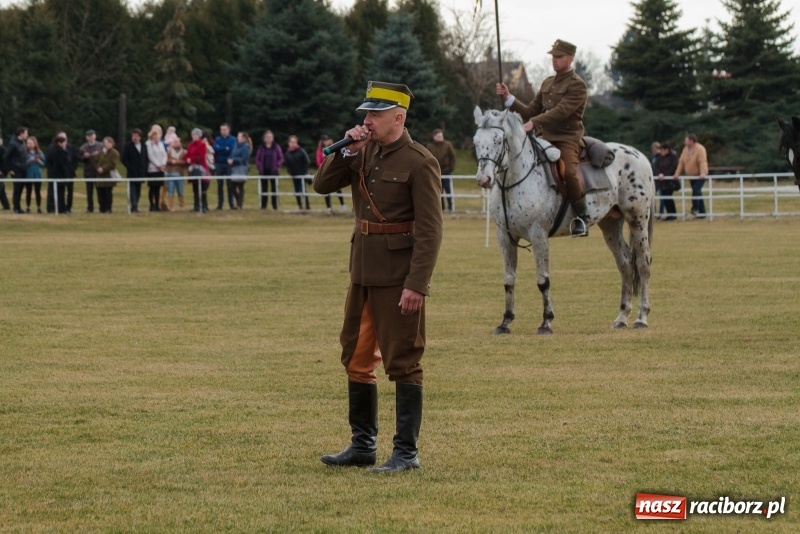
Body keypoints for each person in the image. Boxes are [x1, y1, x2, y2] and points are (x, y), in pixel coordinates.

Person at [314, 81, 443, 473]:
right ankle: (362, 446)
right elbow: (321, 185)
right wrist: (346, 151)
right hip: (364, 271)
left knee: (403, 360)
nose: (366, 121)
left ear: (398, 118)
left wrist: (417, 284)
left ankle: (406, 453)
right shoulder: (362, 150)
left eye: (374, 115)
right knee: (355, 355)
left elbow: (430, 230)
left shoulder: (420, 162)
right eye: (365, 114)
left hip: (398, 275)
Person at [496, 39, 589, 236]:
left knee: (569, 173)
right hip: (542, 137)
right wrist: (508, 97)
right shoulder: (547, 82)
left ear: (570, 58)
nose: (554, 60)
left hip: (566, 138)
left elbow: (562, 111)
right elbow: (530, 110)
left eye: (559, 57)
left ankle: (582, 216)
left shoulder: (578, 86)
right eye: (553, 57)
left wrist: (535, 122)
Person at [673, 133, 709, 218]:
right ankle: (702, 213)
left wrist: (703, 173)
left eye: (686, 140)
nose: (684, 142)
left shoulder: (700, 149)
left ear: (691, 141)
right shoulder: (685, 150)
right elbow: (681, 162)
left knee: (696, 190)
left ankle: (695, 208)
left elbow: (702, 161)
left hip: (699, 175)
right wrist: (677, 173)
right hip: (691, 176)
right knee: (697, 192)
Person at [45, 132, 77, 214]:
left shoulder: (56, 149)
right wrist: (65, 173)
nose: (65, 143)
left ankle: (61, 207)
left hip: (57, 174)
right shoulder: (58, 151)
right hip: (59, 175)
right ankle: (59, 208)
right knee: (59, 193)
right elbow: (61, 164)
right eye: (63, 142)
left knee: (60, 192)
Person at [426, 129, 456, 212]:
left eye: (441, 136)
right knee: (438, 190)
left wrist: (451, 168)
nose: (440, 138)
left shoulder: (448, 145)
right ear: (434, 137)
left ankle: (451, 207)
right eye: (438, 136)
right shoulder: (430, 146)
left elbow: (452, 157)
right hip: (435, 172)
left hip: (446, 171)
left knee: (448, 189)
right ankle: (441, 208)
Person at [316, 135, 347, 213]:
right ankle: (328, 207)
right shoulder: (320, 150)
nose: (326, 142)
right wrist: (324, 168)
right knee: (325, 189)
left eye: (327, 140)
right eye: (324, 140)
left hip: (333, 171)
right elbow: (318, 161)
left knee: (338, 189)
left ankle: (342, 205)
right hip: (325, 171)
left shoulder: (334, 147)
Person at [121, 128, 148, 213]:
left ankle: (136, 205)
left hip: (141, 172)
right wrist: (130, 167)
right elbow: (124, 159)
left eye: (136, 136)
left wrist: (145, 168)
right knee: (132, 190)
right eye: (133, 136)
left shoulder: (144, 146)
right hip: (132, 172)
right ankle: (133, 206)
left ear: (140, 137)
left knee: (138, 190)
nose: (135, 138)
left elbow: (145, 158)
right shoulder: (128, 146)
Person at [255, 130, 283, 210]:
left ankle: (275, 205)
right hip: (263, 171)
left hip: (273, 171)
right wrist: (259, 165)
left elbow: (281, 158)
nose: (269, 138)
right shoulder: (261, 148)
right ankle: (263, 206)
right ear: (264, 138)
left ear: (273, 138)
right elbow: (257, 159)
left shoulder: (276, 147)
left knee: (274, 189)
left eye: (270, 137)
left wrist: (277, 165)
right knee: (264, 189)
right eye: (267, 137)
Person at [5, 126, 29, 214]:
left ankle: (18, 207)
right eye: (26, 133)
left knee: (21, 188)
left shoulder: (22, 143)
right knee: (17, 188)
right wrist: (10, 169)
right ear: (21, 133)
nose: (27, 135)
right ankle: (16, 207)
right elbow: (6, 157)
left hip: (23, 168)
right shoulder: (13, 144)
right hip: (16, 169)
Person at [93, 136, 120, 213]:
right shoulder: (100, 152)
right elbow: (96, 161)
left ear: (112, 143)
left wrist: (103, 169)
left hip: (108, 177)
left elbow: (113, 164)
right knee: (100, 193)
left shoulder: (115, 153)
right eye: (105, 143)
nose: (106, 144)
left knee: (108, 193)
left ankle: (108, 209)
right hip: (99, 177)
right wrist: (98, 168)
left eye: (108, 143)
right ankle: (101, 209)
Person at [652, 142, 679, 220]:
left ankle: (672, 214)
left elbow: (673, 167)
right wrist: (659, 174)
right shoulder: (659, 157)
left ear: (666, 150)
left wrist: (665, 174)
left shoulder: (673, 156)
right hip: (662, 181)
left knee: (668, 197)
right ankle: (670, 214)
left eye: (662, 150)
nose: (661, 151)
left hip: (669, 181)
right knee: (664, 197)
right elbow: (655, 166)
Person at [186, 128, 210, 213]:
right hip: (193, 168)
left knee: (203, 188)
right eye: (192, 134)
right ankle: (196, 206)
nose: (193, 136)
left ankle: (204, 206)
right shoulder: (190, 145)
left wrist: (191, 159)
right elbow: (187, 154)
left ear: (199, 136)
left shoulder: (202, 144)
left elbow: (201, 156)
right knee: (195, 188)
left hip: (201, 168)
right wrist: (188, 159)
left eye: (195, 135)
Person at [213, 123, 236, 210]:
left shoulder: (233, 139)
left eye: (224, 129)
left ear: (228, 130)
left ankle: (231, 204)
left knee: (230, 185)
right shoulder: (217, 139)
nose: (223, 131)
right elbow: (215, 149)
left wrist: (222, 149)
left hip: (228, 164)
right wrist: (225, 148)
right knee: (219, 185)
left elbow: (231, 150)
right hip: (219, 163)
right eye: (221, 129)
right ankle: (220, 204)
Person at [285, 135, 311, 210]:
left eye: (294, 142)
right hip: (294, 175)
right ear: (289, 143)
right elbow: (287, 164)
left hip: (302, 175)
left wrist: (304, 171)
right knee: (296, 191)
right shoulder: (287, 153)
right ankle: (300, 205)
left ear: (297, 143)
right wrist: (289, 171)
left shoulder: (301, 151)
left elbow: (307, 161)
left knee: (303, 190)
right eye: (291, 142)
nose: (293, 144)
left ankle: (307, 204)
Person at [79, 129, 102, 213]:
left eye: (92, 136)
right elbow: (80, 159)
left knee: (100, 190)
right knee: (89, 192)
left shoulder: (101, 146)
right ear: (86, 138)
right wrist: (84, 157)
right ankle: (90, 208)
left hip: (99, 172)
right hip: (88, 172)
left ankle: (101, 207)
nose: (91, 138)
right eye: (89, 136)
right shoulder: (83, 147)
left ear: (95, 136)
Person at [228, 131, 252, 209]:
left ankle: (239, 204)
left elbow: (244, 159)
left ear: (244, 138)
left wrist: (234, 160)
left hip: (242, 168)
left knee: (240, 186)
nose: (237, 137)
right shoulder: (235, 145)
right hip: (234, 168)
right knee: (232, 186)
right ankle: (239, 201)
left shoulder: (246, 147)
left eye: (239, 136)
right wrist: (230, 159)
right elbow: (232, 154)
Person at [145, 127, 167, 212]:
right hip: (152, 169)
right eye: (155, 135)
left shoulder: (161, 144)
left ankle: (157, 205)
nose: (156, 137)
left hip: (161, 169)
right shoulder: (148, 144)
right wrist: (158, 165)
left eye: (157, 135)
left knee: (158, 188)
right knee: (152, 187)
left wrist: (163, 164)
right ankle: (152, 205)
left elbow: (164, 154)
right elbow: (150, 156)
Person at [24, 136, 45, 213]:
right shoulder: (25, 153)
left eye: (31, 143)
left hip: (37, 174)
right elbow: (23, 164)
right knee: (28, 191)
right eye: (28, 143)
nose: (29, 145)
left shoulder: (39, 152)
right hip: (28, 174)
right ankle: (28, 207)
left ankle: (39, 207)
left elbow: (43, 164)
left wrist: (38, 160)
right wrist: (30, 160)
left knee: (37, 191)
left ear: (35, 144)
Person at [165, 137, 187, 211]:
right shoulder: (169, 151)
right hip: (170, 174)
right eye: (174, 142)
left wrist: (176, 162)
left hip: (180, 174)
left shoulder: (184, 152)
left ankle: (182, 205)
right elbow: (166, 160)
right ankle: (170, 206)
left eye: (177, 141)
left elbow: (185, 162)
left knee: (180, 190)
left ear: (180, 142)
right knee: (170, 190)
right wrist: (171, 161)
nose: (176, 143)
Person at [0, 137, 9, 210]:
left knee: (0, 187)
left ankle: (6, 205)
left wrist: (2, 170)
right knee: (1, 190)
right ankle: (6, 205)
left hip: (2, 172)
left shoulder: (3, 150)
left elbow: (6, 162)